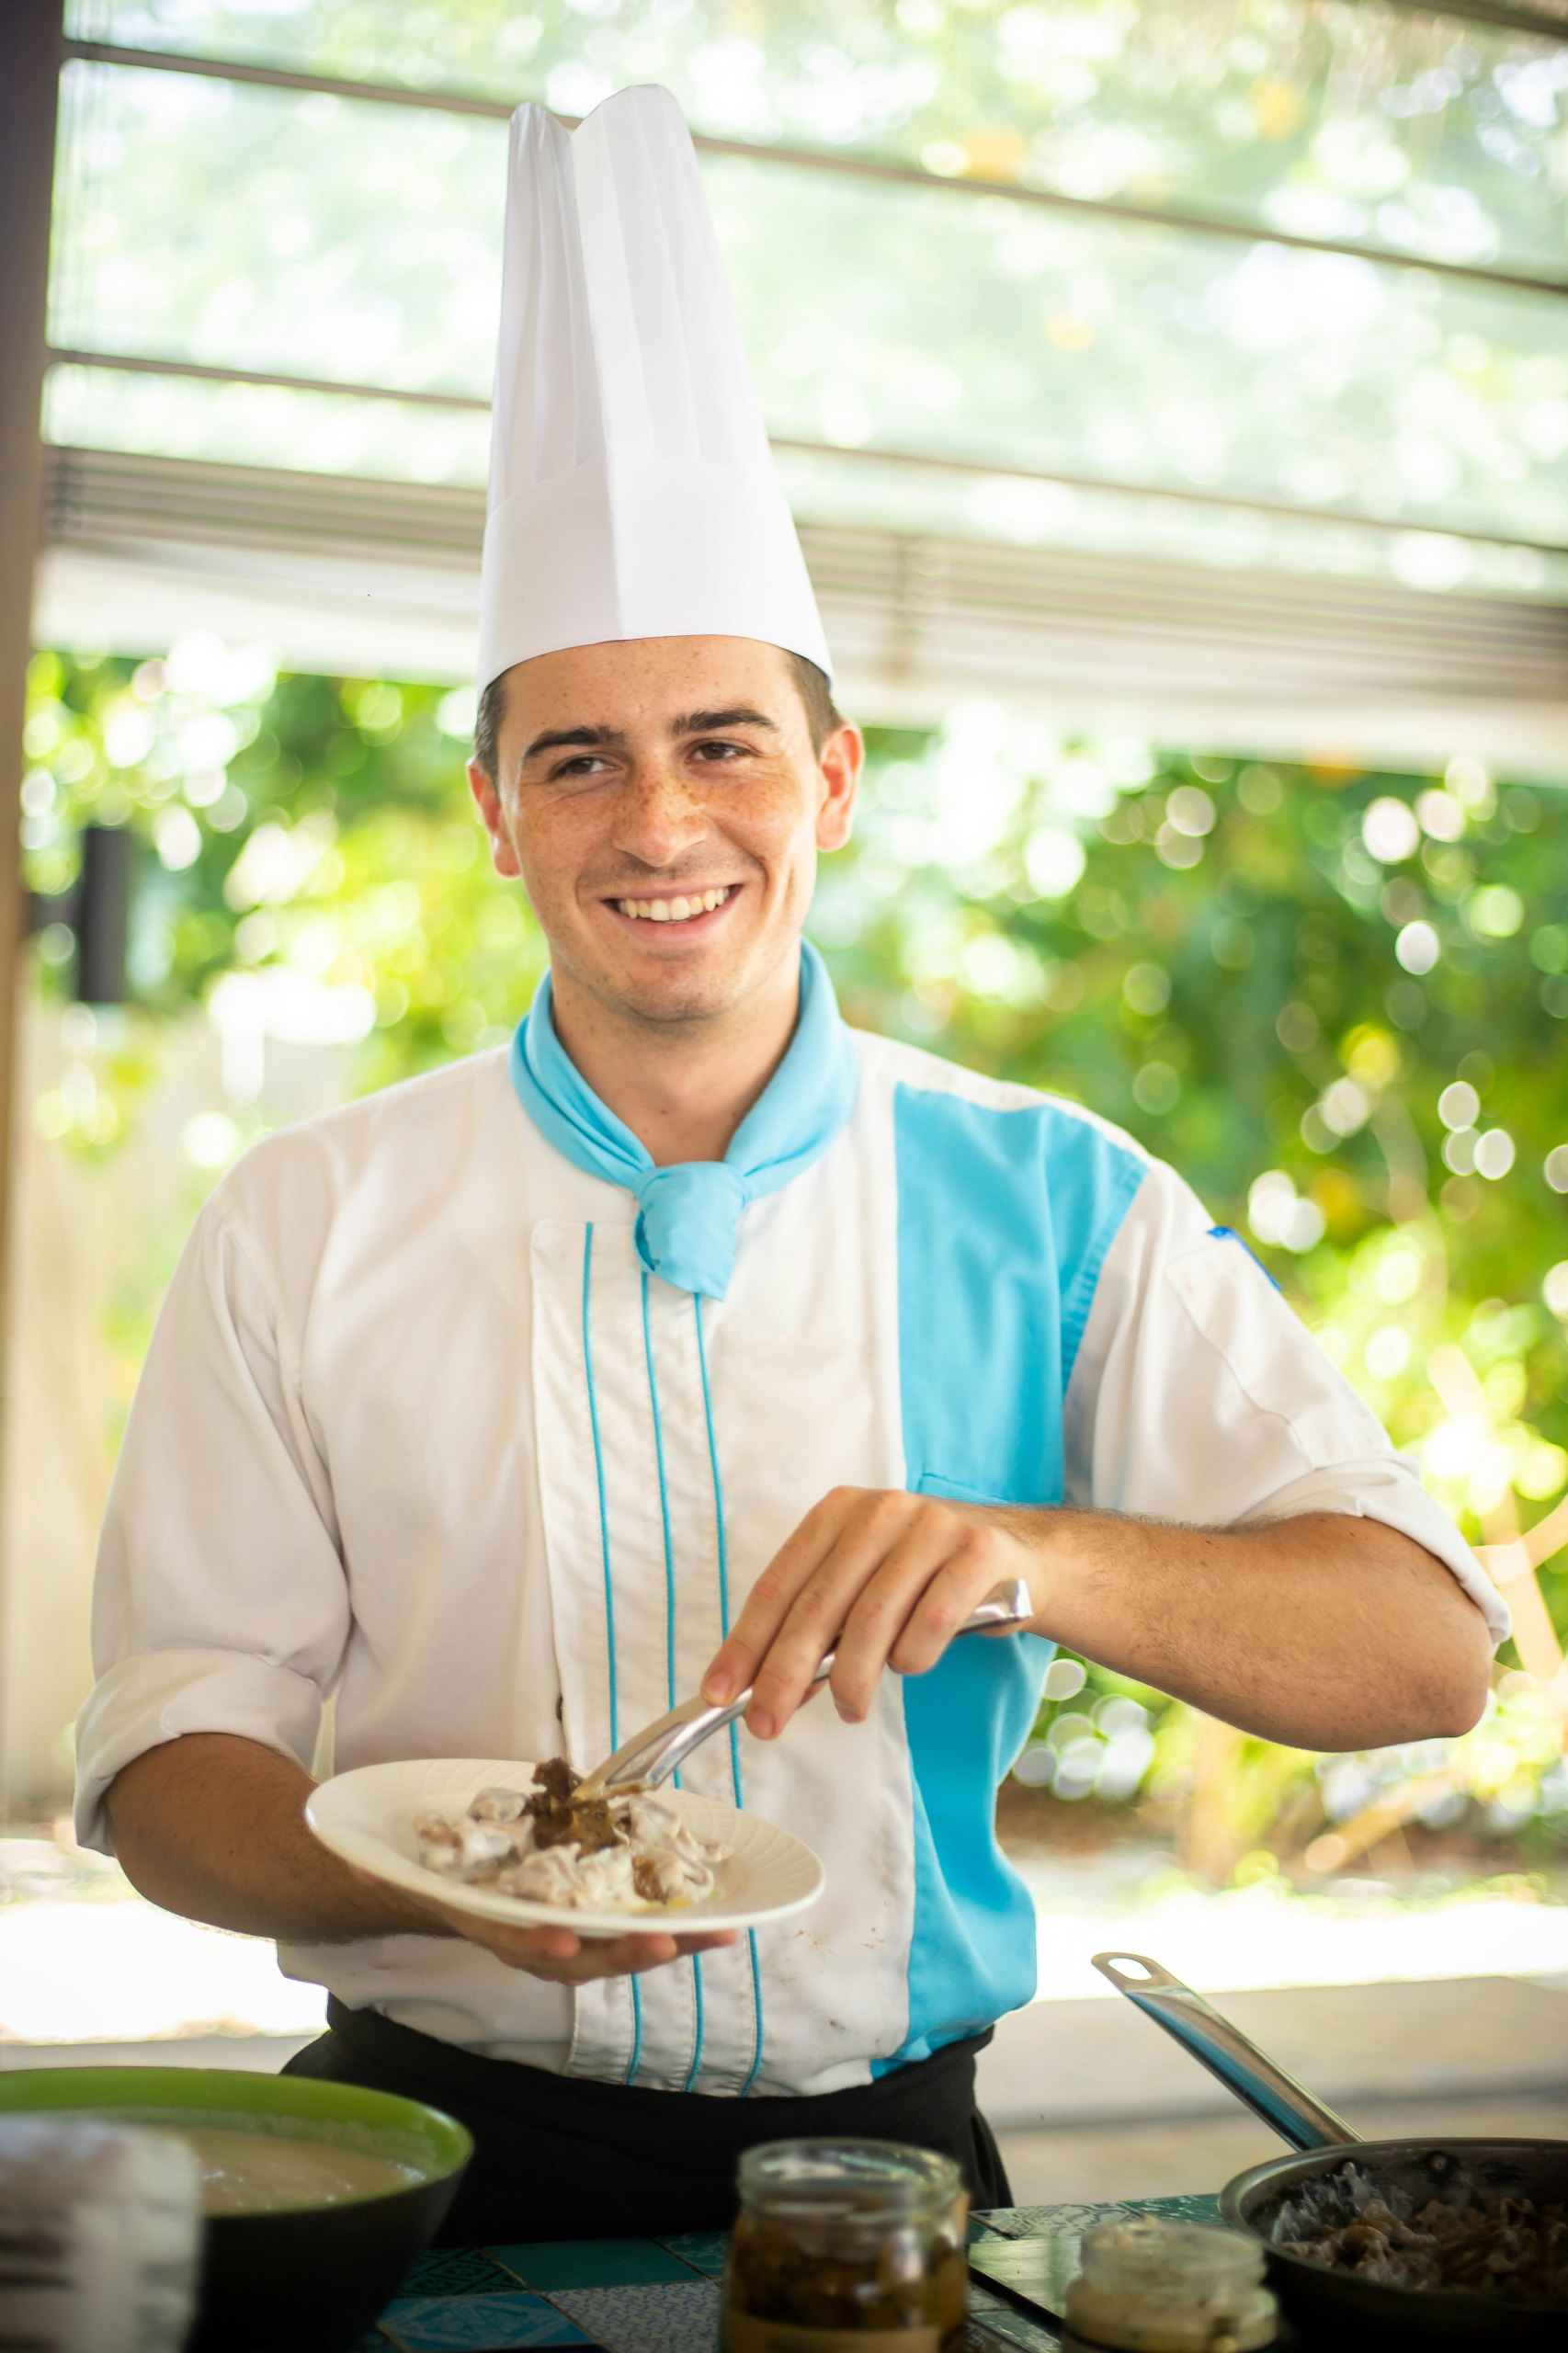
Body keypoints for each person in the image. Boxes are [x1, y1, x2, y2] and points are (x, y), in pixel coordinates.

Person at [75, 86, 1500, 2244]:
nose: (660, 823)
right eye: (580, 759)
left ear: (827, 775)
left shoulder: (1055, 1196)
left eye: (723, 742)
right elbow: (170, 1773)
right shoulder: (307, 1216)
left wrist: (1034, 1554)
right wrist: (412, 1868)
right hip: (421, 2140)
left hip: (887, 2166)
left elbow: (1425, 1653)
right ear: (498, 811)